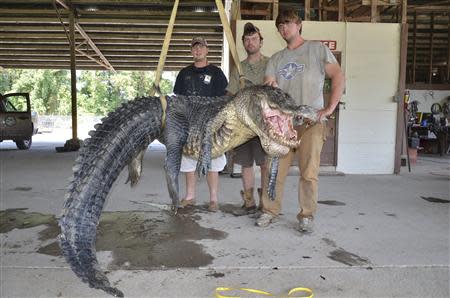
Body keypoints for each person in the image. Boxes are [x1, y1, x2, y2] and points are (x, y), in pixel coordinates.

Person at [257, 9, 345, 232]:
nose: (283, 28)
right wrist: (271, 87)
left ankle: (306, 215)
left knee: (309, 172)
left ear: (299, 25)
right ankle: (269, 210)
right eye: (279, 26)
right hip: (283, 125)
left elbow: (338, 75)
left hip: (311, 122)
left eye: (287, 23)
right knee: (273, 169)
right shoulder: (276, 59)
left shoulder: (317, 50)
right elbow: (269, 83)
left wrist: (329, 108)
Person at [173, 36, 228, 212]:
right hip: (189, 124)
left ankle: (213, 199)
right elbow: (178, 100)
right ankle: (190, 196)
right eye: (195, 48)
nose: (198, 50)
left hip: (211, 124)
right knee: (188, 160)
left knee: (213, 161)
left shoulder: (216, 73)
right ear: (191, 51)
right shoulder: (184, 74)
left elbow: (224, 98)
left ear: (207, 50)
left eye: (201, 47)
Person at [226, 22, 268, 216]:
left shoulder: (270, 64)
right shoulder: (238, 68)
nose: (250, 42)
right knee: (245, 163)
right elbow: (230, 96)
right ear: (243, 43)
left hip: (265, 125)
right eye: (247, 39)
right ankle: (249, 203)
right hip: (243, 126)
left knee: (265, 163)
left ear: (261, 41)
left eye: (254, 39)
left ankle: (266, 203)